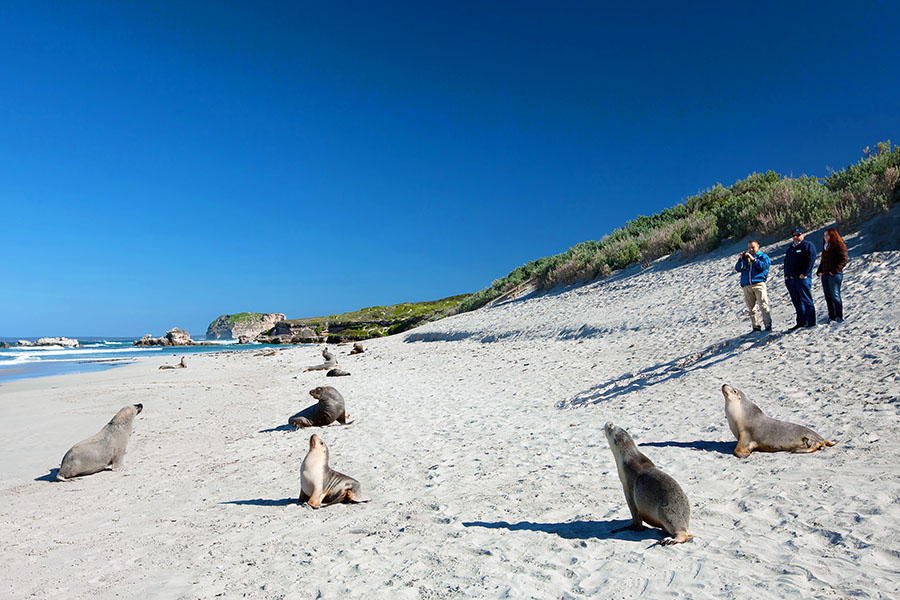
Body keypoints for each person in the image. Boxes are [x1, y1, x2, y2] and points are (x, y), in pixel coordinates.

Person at [734, 240, 772, 332]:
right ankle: (756, 326)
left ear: (758, 246)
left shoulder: (763, 257)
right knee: (751, 307)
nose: (751, 249)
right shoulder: (746, 258)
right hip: (747, 285)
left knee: (763, 305)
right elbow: (738, 268)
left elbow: (764, 266)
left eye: (753, 247)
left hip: (758, 283)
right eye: (749, 248)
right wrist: (741, 259)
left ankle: (767, 324)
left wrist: (754, 260)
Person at [784, 227, 817, 329]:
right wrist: (786, 276)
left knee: (806, 300)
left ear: (803, 235)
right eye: (793, 235)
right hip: (791, 279)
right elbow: (786, 262)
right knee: (797, 302)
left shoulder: (807, 245)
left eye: (798, 235)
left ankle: (811, 322)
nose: (795, 237)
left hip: (802, 278)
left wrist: (805, 273)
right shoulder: (791, 248)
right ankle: (801, 322)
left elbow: (811, 259)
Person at [816, 228, 848, 322]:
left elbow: (844, 260)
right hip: (825, 274)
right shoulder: (825, 245)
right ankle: (831, 316)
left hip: (835, 275)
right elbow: (823, 260)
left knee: (835, 295)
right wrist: (819, 271)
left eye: (827, 235)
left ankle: (839, 315)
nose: (825, 237)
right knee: (828, 296)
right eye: (824, 235)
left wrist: (834, 271)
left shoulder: (839, 245)